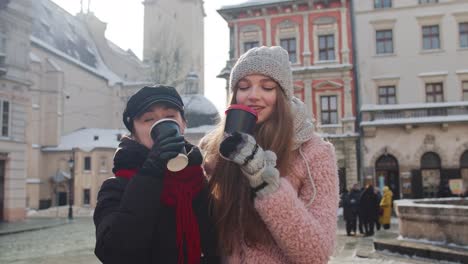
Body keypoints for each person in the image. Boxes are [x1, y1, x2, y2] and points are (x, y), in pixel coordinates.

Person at [201, 46, 338, 263]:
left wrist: (268, 186)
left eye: (267, 87)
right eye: (244, 87)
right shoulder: (217, 149)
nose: (253, 96)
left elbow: (316, 254)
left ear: (282, 94)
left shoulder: (313, 153)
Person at [93, 85, 220, 264]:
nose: (159, 123)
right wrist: (151, 172)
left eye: (170, 116)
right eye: (148, 119)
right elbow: (113, 253)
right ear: (134, 134)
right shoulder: (116, 188)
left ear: (183, 125)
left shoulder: (203, 182)